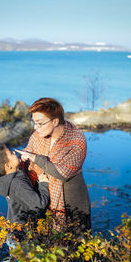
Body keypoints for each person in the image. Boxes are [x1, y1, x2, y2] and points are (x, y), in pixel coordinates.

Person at [16, 97, 91, 233]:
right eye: (34, 123)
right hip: (42, 198)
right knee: (45, 244)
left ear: (55, 121)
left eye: (40, 123)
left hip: (71, 201)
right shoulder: (37, 135)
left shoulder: (76, 141)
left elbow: (62, 174)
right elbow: (25, 163)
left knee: (76, 243)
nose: (35, 127)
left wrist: (35, 158)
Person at [0, 144, 50, 229]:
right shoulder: (17, 184)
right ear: (8, 166)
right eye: (11, 153)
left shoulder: (4, 180)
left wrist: (20, 161)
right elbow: (39, 205)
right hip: (24, 233)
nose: (14, 152)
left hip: (15, 227)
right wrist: (43, 183)